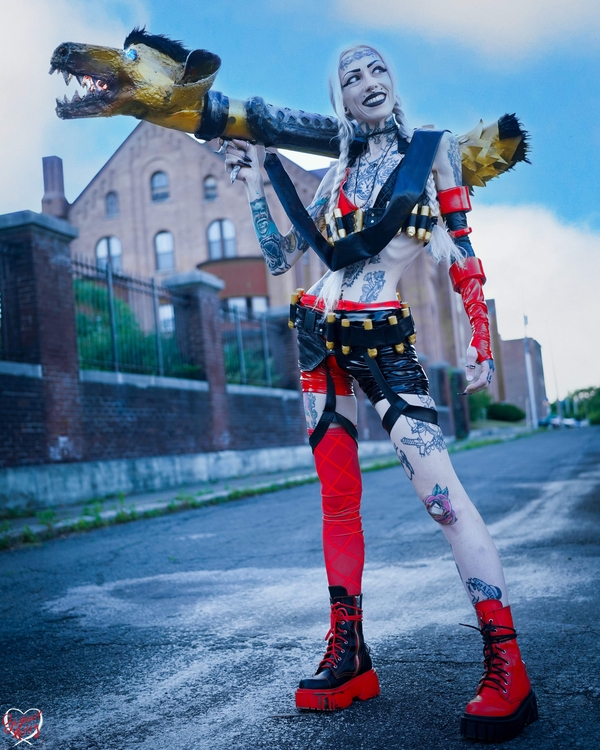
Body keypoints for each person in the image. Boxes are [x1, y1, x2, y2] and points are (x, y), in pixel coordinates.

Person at [223, 44, 538, 742]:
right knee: (337, 503)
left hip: (383, 341)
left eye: (377, 70)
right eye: (351, 77)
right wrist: (253, 183)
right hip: (316, 339)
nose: (368, 82)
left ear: (393, 82)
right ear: (338, 98)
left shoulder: (433, 153)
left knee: (445, 502)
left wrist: (481, 339)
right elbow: (279, 258)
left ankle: (508, 670)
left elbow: (462, 252)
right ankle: (350, 654)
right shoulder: (335, 172)